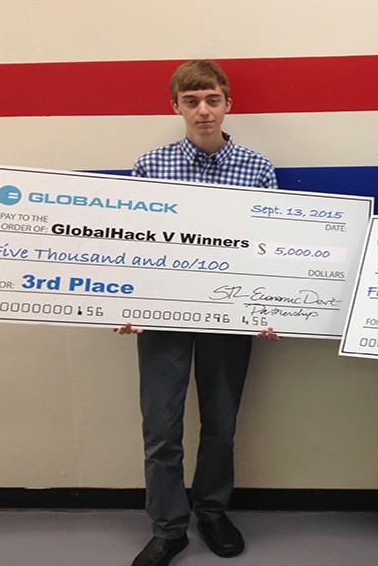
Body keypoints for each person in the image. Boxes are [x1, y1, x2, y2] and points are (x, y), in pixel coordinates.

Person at [117, 59, 280, 566]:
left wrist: (272, 306)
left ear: (228, 103)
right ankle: (168, 527)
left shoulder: (257, 167)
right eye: (191, 101)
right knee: (161, 427)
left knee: (221, 423)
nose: (203, 110)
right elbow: (130, 243)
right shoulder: (150, 165)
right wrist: (125, 300)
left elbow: (271, 247)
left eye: (212, 99)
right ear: (176, 107)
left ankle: (211, 511)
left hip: (230, 318)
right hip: (163, 317)